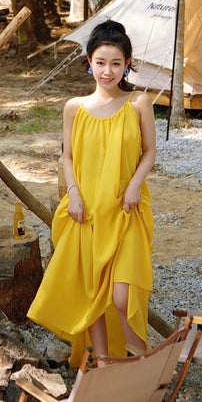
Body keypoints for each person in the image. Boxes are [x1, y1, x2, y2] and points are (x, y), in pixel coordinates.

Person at [27, 20, 156, 367]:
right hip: (87, 211)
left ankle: (139, 363)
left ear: (127, 63)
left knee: (119, 295)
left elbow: (149, 152)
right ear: (89, 62)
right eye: (100, 62)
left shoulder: (139, 103)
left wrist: (133, 185)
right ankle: (102, 364)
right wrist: (74, 194)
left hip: (127, 210)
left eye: (116, 63)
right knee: (90, 294)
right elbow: (67, 157)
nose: (107, 71)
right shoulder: (75, 108)